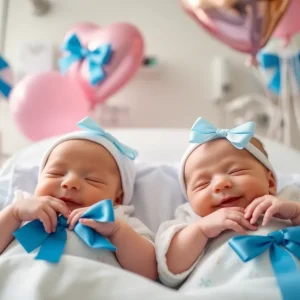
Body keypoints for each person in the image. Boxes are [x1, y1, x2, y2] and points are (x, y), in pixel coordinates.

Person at [0, 116, 157, 280]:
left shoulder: (119, 221)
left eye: (93, 180)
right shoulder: (22, 209)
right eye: (56, 173)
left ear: (117, 199)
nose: (70, 182)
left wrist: (118, 231)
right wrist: (14, 214)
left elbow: (149, 273)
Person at [156, 117, 300, 295]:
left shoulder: (289, 198)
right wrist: (202, 229)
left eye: (236, 171)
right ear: (190, 201)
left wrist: (294, 211)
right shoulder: (192, 220)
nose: (220, 183)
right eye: (202, 184)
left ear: (270, 183)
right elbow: (169, 270)